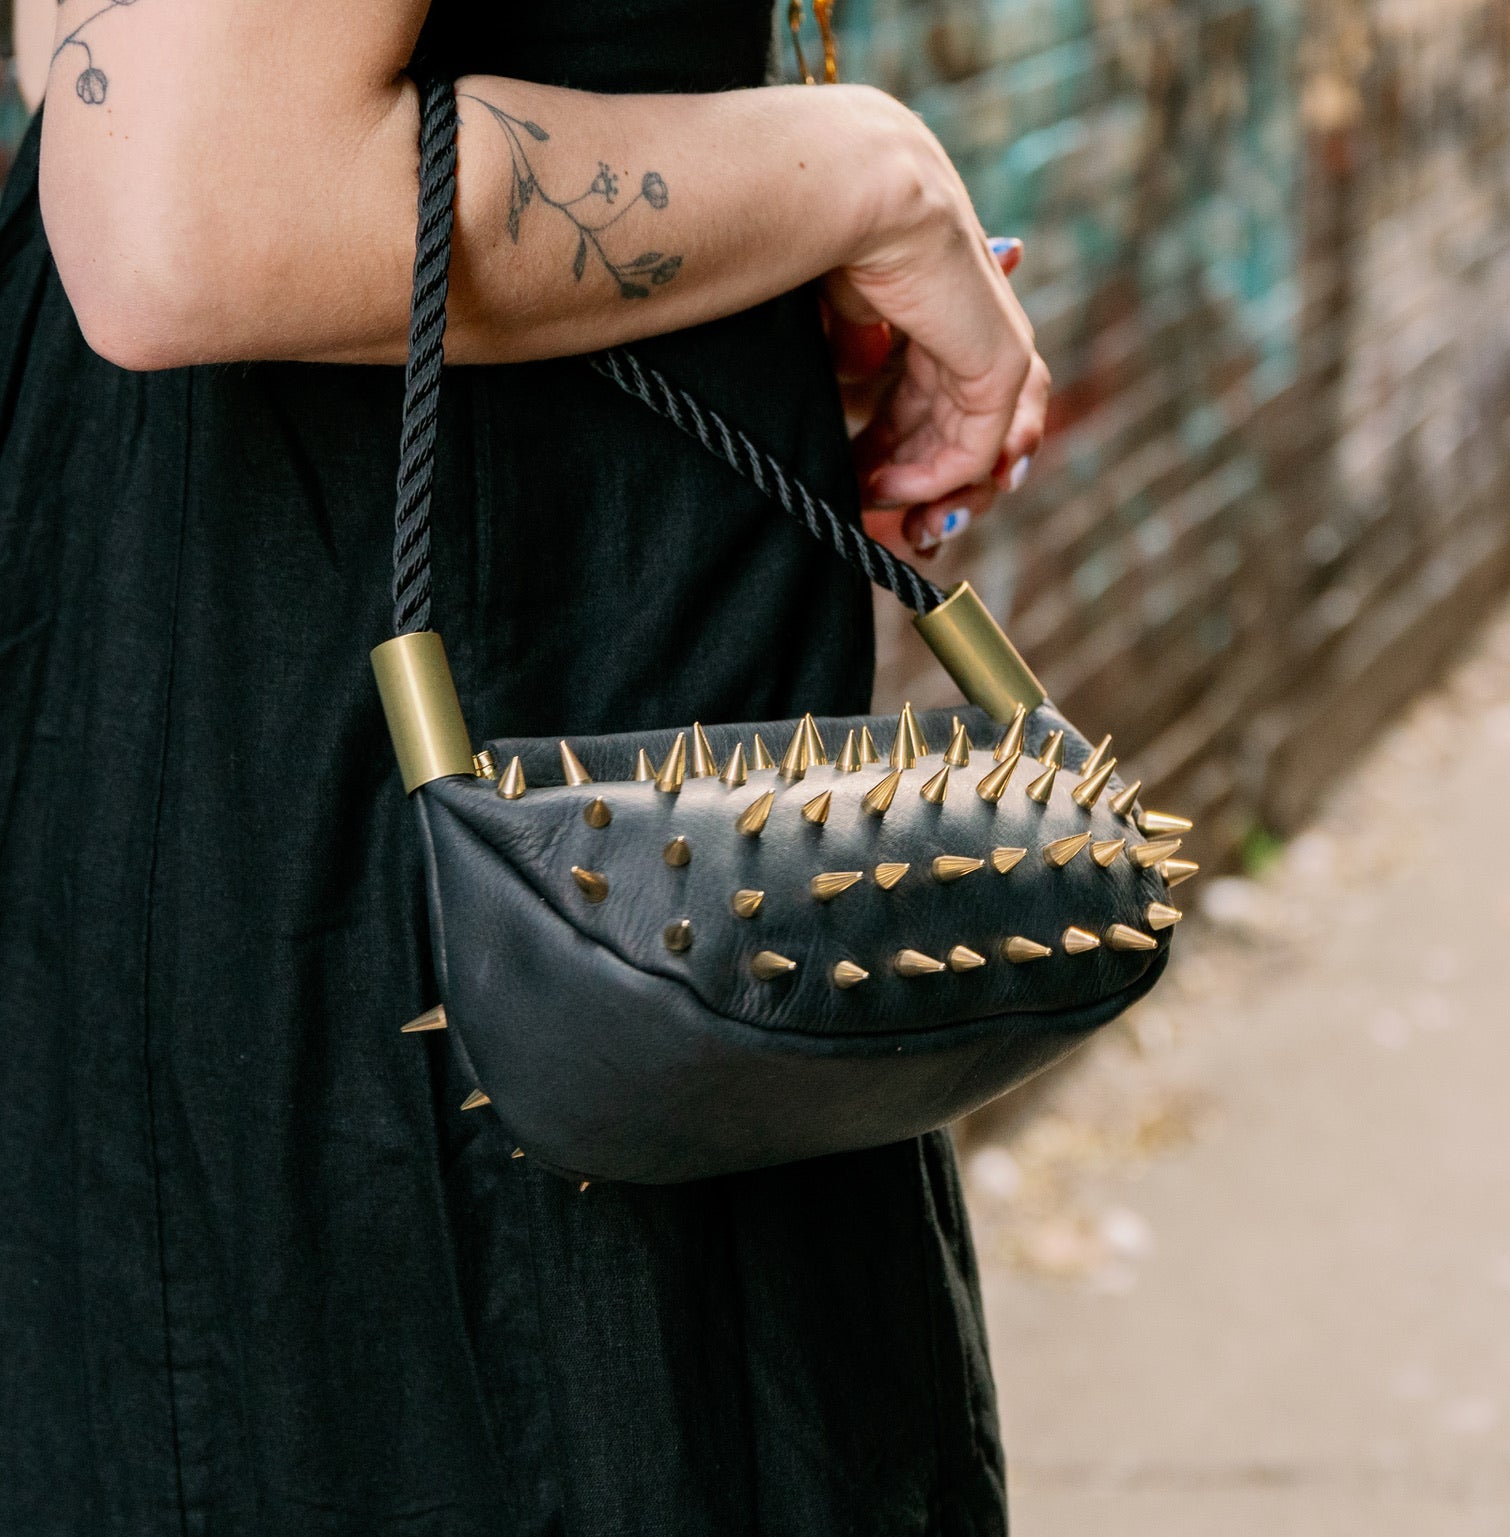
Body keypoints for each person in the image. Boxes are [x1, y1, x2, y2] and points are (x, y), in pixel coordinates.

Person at [1, 1, 1049, 1531]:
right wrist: (866, 176)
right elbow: (190, 215)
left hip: (316, 603)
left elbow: (66, 53)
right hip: (420, 681)